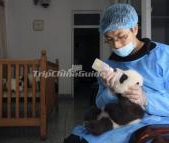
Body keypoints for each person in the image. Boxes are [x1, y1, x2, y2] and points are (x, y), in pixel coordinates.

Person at [63, 3, 169, 143]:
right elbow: (99, 102)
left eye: (121, 36)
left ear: (135, 29)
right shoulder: (109, 66)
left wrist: (146, 99)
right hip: (117, 122)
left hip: (155, 123)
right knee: (75, 140)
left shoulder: (163, 55)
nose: (117, 45)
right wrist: (110, 91)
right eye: (110, 39)